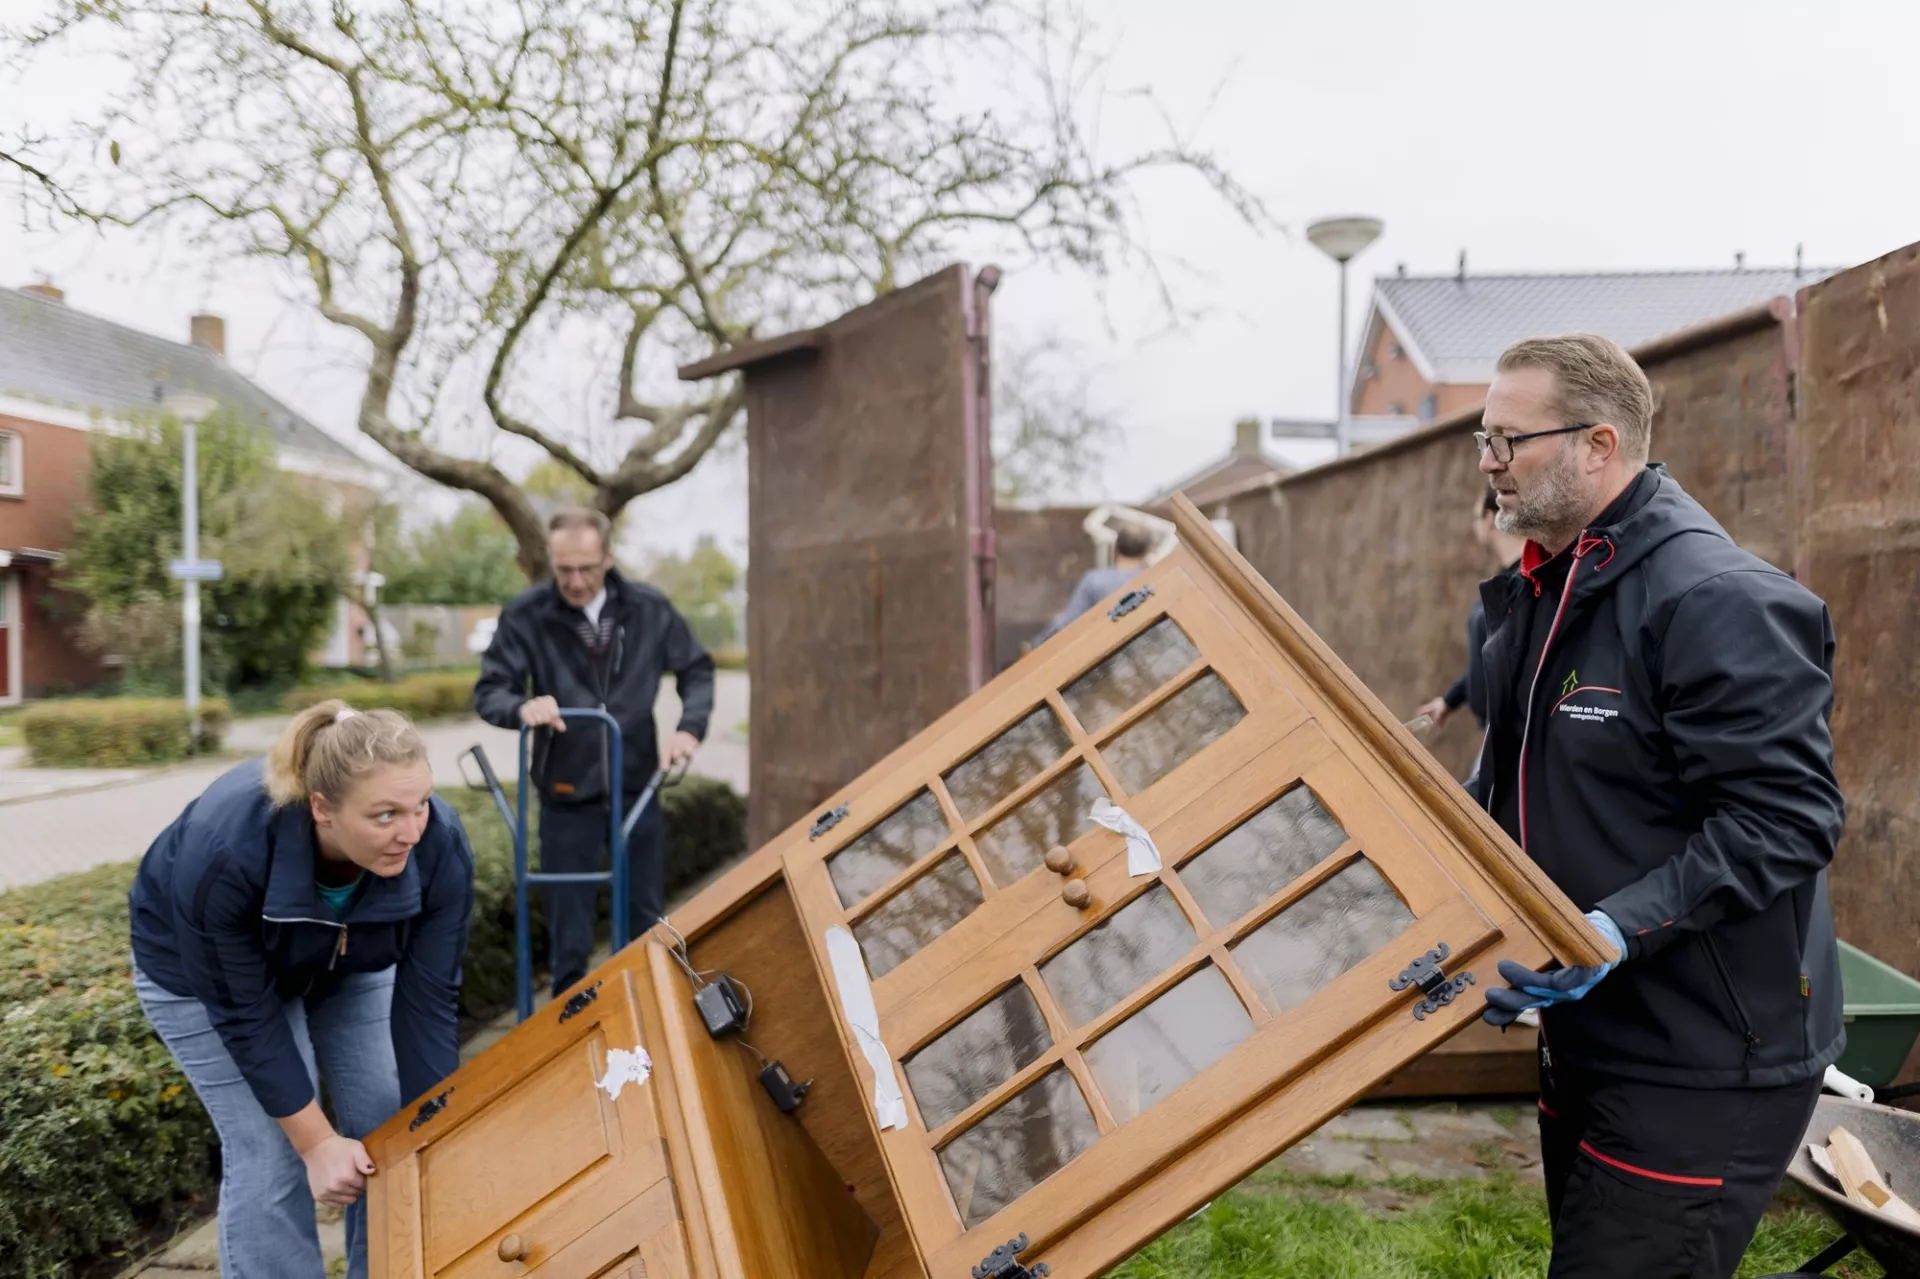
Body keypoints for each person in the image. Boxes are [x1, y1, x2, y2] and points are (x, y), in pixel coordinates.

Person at [1469, 334, 1845, 1278]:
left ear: (1599, 443)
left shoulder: (1715, 599)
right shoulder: (1553, 585)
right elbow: (1520, 779)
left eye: (1509, 440)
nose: (1487, 463)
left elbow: (1788, 818)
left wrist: (1612, 927)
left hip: (1702, 1052)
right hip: (1592, 1026)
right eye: (1484, 436)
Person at [129, 702, 475, 1279]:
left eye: (420, 805)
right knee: (273, 1152)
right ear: (322, 809)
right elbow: (246, 1016)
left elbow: (429, 1000)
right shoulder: (225, 850)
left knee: (392, 1121)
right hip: (203, 981)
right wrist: (316, 1144)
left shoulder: (437, 843)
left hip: (349, 960)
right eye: (385, 814)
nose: (410, 832)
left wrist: (433, 1124)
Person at [473, 507, 715, 996]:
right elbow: (490, 691)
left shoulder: (648, 608)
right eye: (564, 569)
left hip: (638, 787)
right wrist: (523, 708)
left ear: (608, 556)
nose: (576, 581)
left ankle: (644, 1024)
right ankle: (575, 1033)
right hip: (566, 793)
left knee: (645, 921)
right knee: (570, 936)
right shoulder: (527, 614)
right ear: (552, 561)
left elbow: (697, 670)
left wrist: (688, 729)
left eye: (586, 567)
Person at [1415, 489, 1528, 732]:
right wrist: (1449, 700)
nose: (1474, 527)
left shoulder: (1526, 581)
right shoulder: (1503, 579)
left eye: (1475, 519)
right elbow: (1491, 657)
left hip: (1513, 735)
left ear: (1489, 519)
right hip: (1494, 731)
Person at [1034, 523, 1152, 644]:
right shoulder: (1152, 582)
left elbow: (1068, 621)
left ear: (1114, 549)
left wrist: (1037, 644)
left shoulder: (1094, 580)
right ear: (1147, 551)